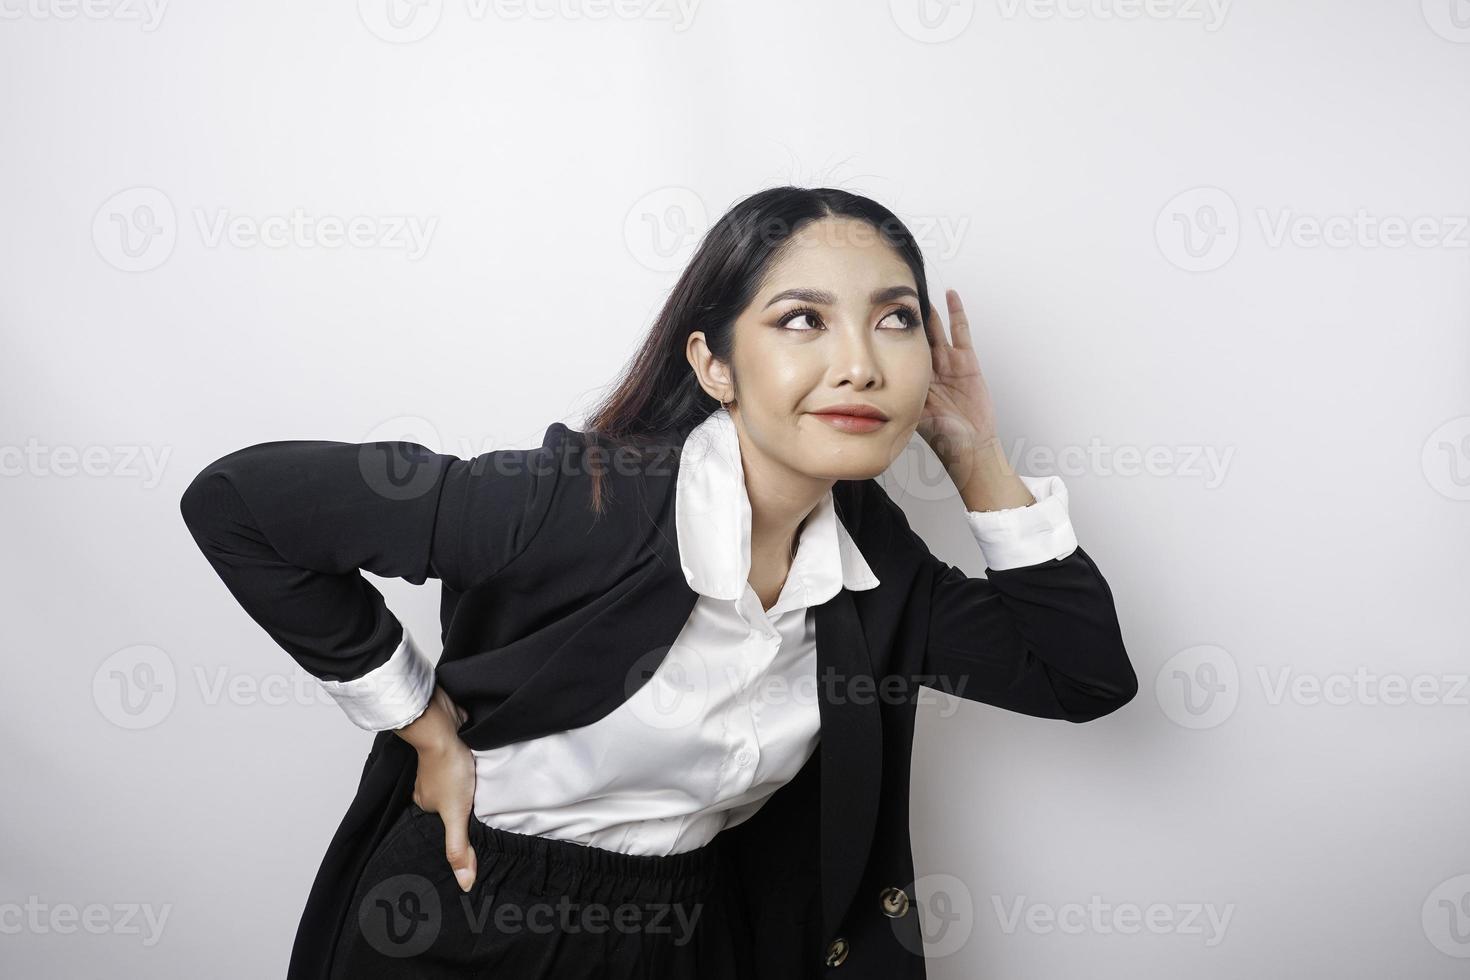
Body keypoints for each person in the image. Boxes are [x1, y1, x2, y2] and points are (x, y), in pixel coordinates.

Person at [179, 185, 1138, 978]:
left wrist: (975, 455)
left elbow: (1079, 677)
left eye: (894, 320)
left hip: (696, 939)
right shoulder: (582, 500)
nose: (859, 362)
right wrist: (419, 718)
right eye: (803, 319)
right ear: (713, 364)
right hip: (472, 924)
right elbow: (240, 505)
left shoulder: (871, 559)